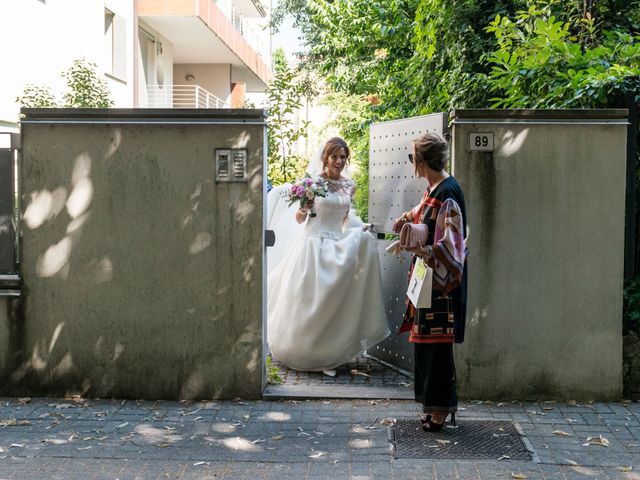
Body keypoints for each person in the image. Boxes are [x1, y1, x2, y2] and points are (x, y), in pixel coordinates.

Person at [267, 137, 390, 376]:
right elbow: (300, 219)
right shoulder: (312, 183)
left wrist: (356, 232)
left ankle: (328, 354)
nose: (339, 161)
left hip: (335, 243)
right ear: (326, 158)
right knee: (308, 301)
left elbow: (344, 220)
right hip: (311, 246)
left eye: (343, 157)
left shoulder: (349, 186)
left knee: (330, 302)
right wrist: (304, 206)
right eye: (335, 157)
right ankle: (302, 350)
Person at [392, 131, 468, 432]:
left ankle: (440, 409)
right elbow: (422, 213)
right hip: (428, 278)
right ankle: (430, 405)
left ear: (421, 161)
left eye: (413, 158)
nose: (414, 163)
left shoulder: (448, 191)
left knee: (437, 345)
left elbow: (453, 243)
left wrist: (424, 249)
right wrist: (405, 218)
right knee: (424, 343)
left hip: (441, 283)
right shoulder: (436, 188)